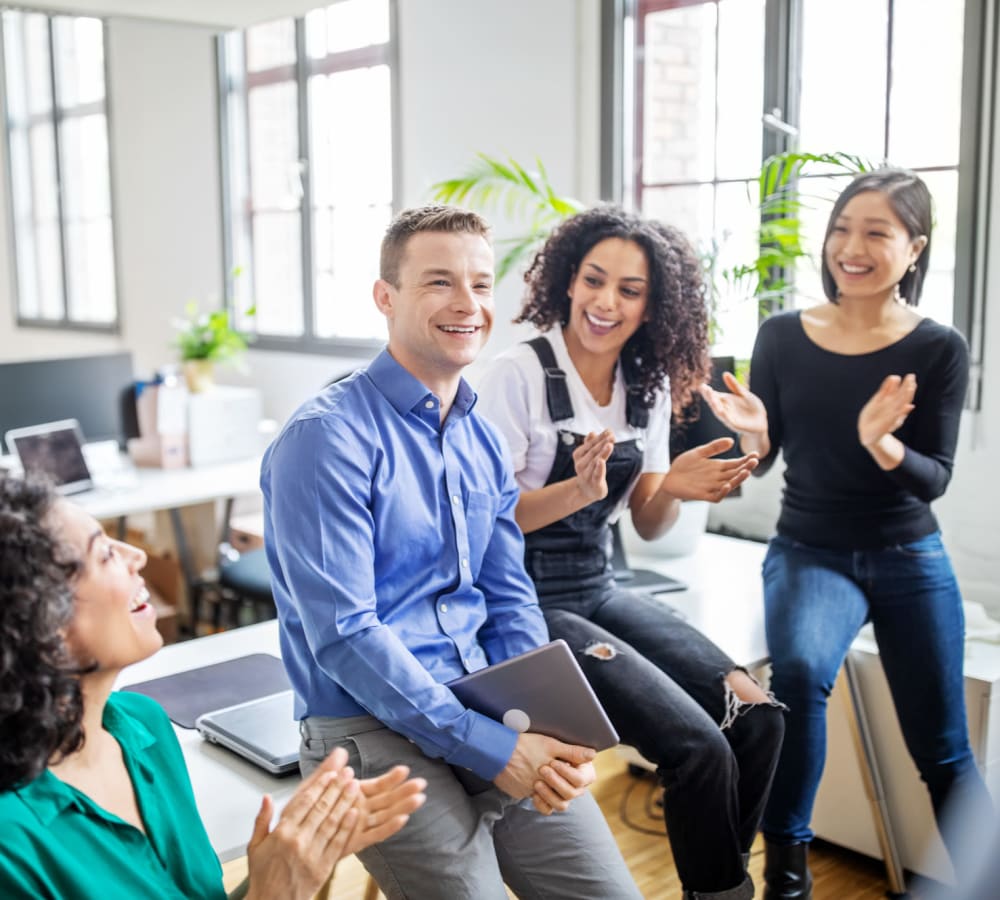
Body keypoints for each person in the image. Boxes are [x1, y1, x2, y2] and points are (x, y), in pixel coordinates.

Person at [260, 205, 643, 900]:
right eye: (439, 282)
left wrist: (546, 724)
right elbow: (347, 637)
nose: (467, 304)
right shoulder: (327, 438)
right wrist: (490, 747)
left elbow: (507, 595)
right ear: (387, 297)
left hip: (483, 699)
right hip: (364, 724)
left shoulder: (482, 439)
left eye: (480, 284)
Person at [475, 205, 786, 900]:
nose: (606, 302)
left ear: (654, 307)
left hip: (599, 583)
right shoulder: (516, 376)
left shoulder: (643, 389)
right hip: (522, 602)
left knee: (756, 714)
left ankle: (719, 887)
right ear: (568, 282)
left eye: (630, 290)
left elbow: (646, 523)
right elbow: (483, 526)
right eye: (594, 280)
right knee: (699, 749)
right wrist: (576, 492)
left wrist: (674, 485)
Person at [701, 168, 995, 899]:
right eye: (841, 228)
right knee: (796, 676)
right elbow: (761, 464)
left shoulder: (937, 348)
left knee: (944, 747)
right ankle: (789, 875)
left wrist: (882, 444)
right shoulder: (781, 335)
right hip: (810, 550)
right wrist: (752, 441)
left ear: (914, 248)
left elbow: (934, 478)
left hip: (908, 553)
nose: (851, 247)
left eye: (876, 232)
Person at [0, 475, 426, 900]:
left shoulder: (141, 724)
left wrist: (290, 863)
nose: (136, 556)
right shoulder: (11, 847)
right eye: (105, 552)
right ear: (40, 622)